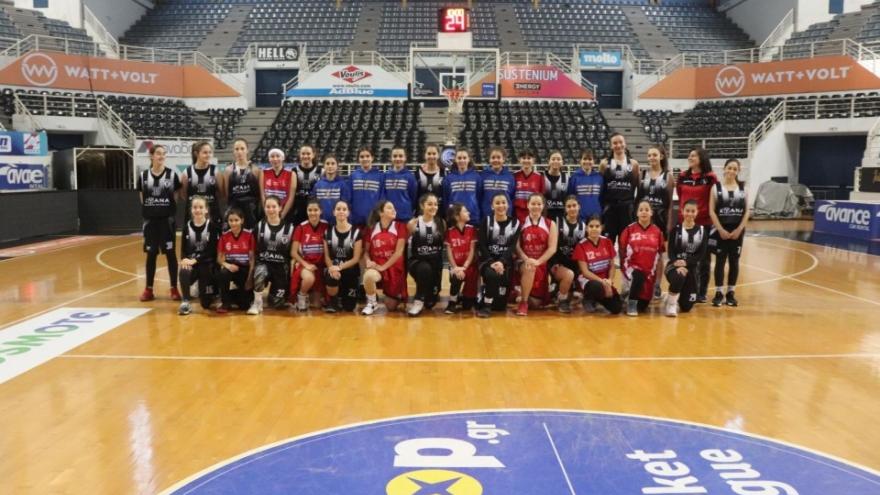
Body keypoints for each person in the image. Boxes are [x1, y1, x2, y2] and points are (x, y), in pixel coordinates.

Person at [138, 144, 181, 302]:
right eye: (158, 153)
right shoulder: (143, 176)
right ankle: (148, 289)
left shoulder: (172, 175)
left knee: (170, 254)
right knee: (151, 254)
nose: (161, 156)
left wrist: (165, 210)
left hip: (166, 221)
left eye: (163, 153)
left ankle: (174, 288)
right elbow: (142, 197)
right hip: (151, 222)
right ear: (151, 156)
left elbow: (175, 197)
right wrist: (152, 210)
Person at [676, 147, 718, 302]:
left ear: (702, 158)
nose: (690, 157)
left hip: (704, 224)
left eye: (693, 155)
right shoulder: (682, 176)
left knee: (704, 260)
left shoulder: (710, 177)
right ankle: (685, 289)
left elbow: (715, 198)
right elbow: (680, 195)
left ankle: (702, 292)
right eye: (689, 155)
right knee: (684, 257)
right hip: (685, 224)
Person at [709, 158, 750, 307]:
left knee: (734, 261)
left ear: (738, 171)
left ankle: (731, 292)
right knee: (720, 261)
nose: (731, 171)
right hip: (721, 230)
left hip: (737, 231)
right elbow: (712, 211)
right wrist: (720, 229)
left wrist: (739, 229)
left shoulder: (743, 189)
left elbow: (747, 212)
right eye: (729, 168)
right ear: (724, 169)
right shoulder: (716, 188)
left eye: (735, 169)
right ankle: (719, 292)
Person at [637, 144, 675, 299]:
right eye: (649, 155)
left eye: (654, 155)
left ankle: (657, 285)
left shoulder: (668, 177)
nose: (651, 157)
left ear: (661, 156)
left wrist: (669, 223)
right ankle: (644, 282)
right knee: (643, 252)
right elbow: (638, 199)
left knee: (658, 254)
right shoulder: (642, 174)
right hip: (644, 219)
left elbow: (670, 204)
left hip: (660, 219)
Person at [477, 193, 521, 318]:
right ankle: (486, 305)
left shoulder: (516, 223)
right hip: (488, 261)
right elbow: (482, 245)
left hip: (505, 262)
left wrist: (501, 261)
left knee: (499, 307)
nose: (501, 206)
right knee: (492, 275)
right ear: (492, 206)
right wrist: (492, 262)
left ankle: (487, 292)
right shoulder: (486, 221)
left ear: (508, 205)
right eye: (497, 203)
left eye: (503, 202)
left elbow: (512, 246)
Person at [362, 200, 408, 315]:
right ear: (381, 212)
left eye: (394, 208)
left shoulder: (400, 227)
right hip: (377, 267)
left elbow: (398, 252)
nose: (394, 210)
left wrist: (383, 267)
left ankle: (394, 296)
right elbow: (365, 252)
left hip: (394, 269)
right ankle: (372, 303)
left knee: (391, 306)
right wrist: (368, 261)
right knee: (368, 276)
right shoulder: (371, 229)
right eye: (389, 208)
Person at [619, 200, 665, 316]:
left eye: (646, 210)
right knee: (638, 274)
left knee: (642, 307)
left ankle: (628, 297)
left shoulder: (657, 232)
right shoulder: (629, 230)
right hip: (631, 269)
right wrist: (624, 276)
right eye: (641, 210)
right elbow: (622, 252)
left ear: (651, 213)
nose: (644, 212)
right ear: (637, 213)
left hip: (648, 274)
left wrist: (658, 283)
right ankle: (630, 302)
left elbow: (659, 259)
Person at [665, 200, 710, 317]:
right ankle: (671, 304)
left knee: (686, 307)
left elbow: (700, 254)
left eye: (693, 211)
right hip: (674, 267)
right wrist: (677, 262)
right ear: (682, 211)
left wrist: (686, 262)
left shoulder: (702, 231)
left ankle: (674, 293)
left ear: (697, 212)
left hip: (691, 269)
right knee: (679, 275)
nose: (690, 214)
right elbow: (671, 252)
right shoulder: (675, 230)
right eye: (687, 211)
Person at [515, 193, 558, 316]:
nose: (536, 206)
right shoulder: (520, 223)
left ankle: (522, 294)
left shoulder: (551, 224)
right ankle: (523, 302)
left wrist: (538, 261)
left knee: (536, 304)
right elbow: (517, 247)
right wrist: (527, 259)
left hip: (541, 263)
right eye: (533, 204)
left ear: (543, 206)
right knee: (530, 268)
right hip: (523, 261)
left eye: (539, 204)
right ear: (527, 205)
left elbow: (552, 248)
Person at [178, 196, 220, 315]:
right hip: (193, 264)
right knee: (184, 270)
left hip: (207, 264)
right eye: (195, 207)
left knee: (206, 304)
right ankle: (186, 301)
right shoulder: (187, 227)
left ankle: (212, 291)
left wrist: (195, 260)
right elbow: (183, 250)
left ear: (206, 210)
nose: (198, 210)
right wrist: (184, 259)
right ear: (191, 210)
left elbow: (212, 251)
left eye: (201, 207)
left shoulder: (212, 227)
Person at [251, 195, 295, 312]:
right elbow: (252, 250)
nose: (271, 210)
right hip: (264, 264)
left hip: (281, 268)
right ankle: (257, 303)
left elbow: (293, 252)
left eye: (274, 207)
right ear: (264, 208)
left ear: (280, 208)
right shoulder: (259, 226)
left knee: (278, 304)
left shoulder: (290, 228)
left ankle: (272, 294)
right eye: (268, 207)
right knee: (260, 272)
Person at [573, 215, 622, 315]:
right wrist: (603, 282)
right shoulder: (581, 245)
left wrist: (609, 280)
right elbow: (585, 272)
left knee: (617, 308)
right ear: (587, 228)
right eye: (591, 226)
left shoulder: (607, 242)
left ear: (601, 228)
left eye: (597, 226)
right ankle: (588, 299)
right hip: (589, 281)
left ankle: (599, 299)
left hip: (605, 281)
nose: (594, 229)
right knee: (596, 286)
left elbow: (612, 266)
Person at [406, 193, 445, 316]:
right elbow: (406, 245)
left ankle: (427, 294)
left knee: (430, 303)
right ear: (422, 206)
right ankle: (418, 301)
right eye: (430, 204)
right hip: (418, 262)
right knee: (424, 269)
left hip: (435, 265)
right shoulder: (413, 223)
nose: (433, 207)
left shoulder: (441, 223)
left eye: (435, 204)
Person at [600, 133, 640, 246]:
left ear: (625, 144)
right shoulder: (604, 164)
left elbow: (637, 187)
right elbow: (602, 188)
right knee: (607, 243)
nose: (618, 145)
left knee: (626, 244)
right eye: (615, 143)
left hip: (627, 209)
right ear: (611, 146)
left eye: (620, 142)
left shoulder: (634, 164)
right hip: (610, 209)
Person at [323, 200, 362, 313]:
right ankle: (333, 301)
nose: (341, 211)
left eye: (344, 209)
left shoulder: (356, 232)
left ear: (348, 212)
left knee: (349, 308)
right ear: (333, 212)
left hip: (350, 271)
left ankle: (342, 297)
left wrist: (339, 267)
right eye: (338, 209)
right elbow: (327, 257)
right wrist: (332, 268)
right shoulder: (327, 232)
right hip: (334, 270)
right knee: (331, 276)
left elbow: (356, 258)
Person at [291, 199, 329, 311]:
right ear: (306, 211)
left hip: (321, 266)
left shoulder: (326, 226)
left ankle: (311, 295)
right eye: (310, 210)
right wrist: (305, 264)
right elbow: (293, 252)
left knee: (317, 305)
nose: (313, 213)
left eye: (315, 210)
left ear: (321, 211)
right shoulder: (301, 227)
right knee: (308, 279)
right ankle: (302, 296)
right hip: (306, 264)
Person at [549, 195, 586, 313]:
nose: (572, 208)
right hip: (557, 263)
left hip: (574, 265)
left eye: (574, 205)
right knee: (569, 275)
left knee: (577, 297)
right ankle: (562, 300)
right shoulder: (557, 223)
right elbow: (551, 245)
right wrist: (554, 263)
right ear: (565, 208)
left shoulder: (584, 226)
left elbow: (584, 250)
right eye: (569, 206)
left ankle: (557, 292)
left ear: (579, 206)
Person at [217, 208, 256, 314]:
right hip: (231, 268)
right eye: (231, 220)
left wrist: (250, 279)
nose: (233, 223)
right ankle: (225, 302)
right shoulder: (224, 236)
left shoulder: (249, 235)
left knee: (244, 305)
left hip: (244, 270)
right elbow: (219, 259)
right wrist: (227, 265)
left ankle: (234, 296)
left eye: (236, 220)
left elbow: (252, 260)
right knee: (223, 273)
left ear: (242, 221)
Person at [444, 203, 478, 314]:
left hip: (469, 266)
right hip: (456, 266)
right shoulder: (449, 232)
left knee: (467, 306)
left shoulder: (472, 229)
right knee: (456, 276)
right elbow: (449, 252)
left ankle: (465, 297)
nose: (468, 213)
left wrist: (464, 267)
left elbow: (472, 250)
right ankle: (452, 301)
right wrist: (455, 267)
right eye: (465, 211)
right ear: (457, 216)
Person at [182, 141, 223, 225]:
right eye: (205, 152)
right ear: (196, 154)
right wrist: (196, 204)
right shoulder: (187, 172)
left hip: (212, 212)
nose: (208, 155)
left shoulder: (215, 171)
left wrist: (208, 202)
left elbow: (221, 193)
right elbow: (183, 194)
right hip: (193, 214)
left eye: (210, 152)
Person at [225, 138, 262, 229]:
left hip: (252, 211)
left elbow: (260, 194)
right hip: (234, 210)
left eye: (242, 148)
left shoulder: (256, 170)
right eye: (236, 149)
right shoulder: (228, 170)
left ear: (247, 150)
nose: (239, 152)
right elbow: (226, 194)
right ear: (233, 151)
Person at [443, 148, 482, 226]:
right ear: (455, 160)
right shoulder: (449, 178)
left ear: (469, 159)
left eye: (464, 158)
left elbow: (479, 197)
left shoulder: (476, 177)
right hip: (455, 218)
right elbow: (446, 199)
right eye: (459, 158)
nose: (462, 160)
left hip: (472, 217)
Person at [350, 147, 384, 228]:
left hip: (374, 220)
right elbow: (349, 198)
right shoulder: (353, 176)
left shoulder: (380, 176)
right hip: (356, 220)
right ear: (358, 159)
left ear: (372, 158)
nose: (365, 159)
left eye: (367, 156)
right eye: (362, 157)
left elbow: (382, 199)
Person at [260, 148, 297, 224]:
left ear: (283, 158)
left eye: (278, 156)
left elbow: (291, 198)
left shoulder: (291, 174)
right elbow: (262, 195)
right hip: (269, 211)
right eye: (272, 156)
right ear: (269, 159)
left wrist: (282, 215)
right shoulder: (263, 172)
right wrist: (267, 212)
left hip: (285, 212)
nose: (275, 159)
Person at [312, 153, 350, 225]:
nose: (330, 166)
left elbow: (345, 206)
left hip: (337, 223)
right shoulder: (317, 185)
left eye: (333, 163)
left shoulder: (343, 184)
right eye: (327, 163)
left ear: (337, 166)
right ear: (324, 166)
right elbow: (314, 205)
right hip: (321, 223)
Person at [480, 146, 515, 221]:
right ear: (489, 159)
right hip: (487, 215)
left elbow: (511, 197)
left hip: (505, 215)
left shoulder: (510, 177)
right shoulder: (483, 175)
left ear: (503, 159)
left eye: (498, 157)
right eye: (493, 157)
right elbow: (480, 195)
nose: (496, 160)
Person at [383, 146, 418, 222]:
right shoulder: (385, 176)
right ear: (391, 158)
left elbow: (413, 197)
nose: (398, 158)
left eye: (401, 156)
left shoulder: (410, 177)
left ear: (405, 158)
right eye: (395, 156)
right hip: (388, 217)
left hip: (405, 217)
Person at [568, 149, 603, 221]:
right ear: (580, 161)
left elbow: (602, 197)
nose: (587, 161)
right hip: (579, 217)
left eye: (590, 159)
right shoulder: (574, 177)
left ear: (594, 161)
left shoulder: (599, 177)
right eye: (584, 159)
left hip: (596, 217)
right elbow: (571, 198)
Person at [292, 144, 322, 225]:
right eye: (303, 154)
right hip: (299, 210)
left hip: (315, 209)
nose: (305, 156)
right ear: (299, 155)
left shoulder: (321, 171)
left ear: (313, 155)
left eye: (308, 154)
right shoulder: (294, 171)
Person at [513, 149, 544, 223]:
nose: (526, 160)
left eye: (529, 158)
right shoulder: (514, 176)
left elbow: (542, 197)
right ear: (519, 160)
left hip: (533, 213)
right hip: (517, 213)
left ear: (533, 160)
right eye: (524, 158)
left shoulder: (539, 177)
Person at [414, 144, 445, 213]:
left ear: (438, 155)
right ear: (424, 155)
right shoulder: (418, 173)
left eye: (434, 154)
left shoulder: (444, 173)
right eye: (429, 154)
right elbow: (414, 195)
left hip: (439, 213)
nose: (431, 156)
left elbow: (445, 195)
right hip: (421, 212)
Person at [543, 150, 570, 222]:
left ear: (562, 162)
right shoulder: (542, 177)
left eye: (558, 159)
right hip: (545, 215)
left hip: (562, 216)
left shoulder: (567, 178)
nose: (556, 161)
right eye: (553, 159)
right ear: (549, 161)